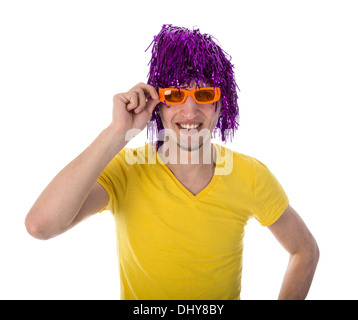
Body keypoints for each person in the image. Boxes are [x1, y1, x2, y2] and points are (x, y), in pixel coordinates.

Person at [25, 24, 319, 300]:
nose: (190, 110)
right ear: (157, 103)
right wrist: (117, 132)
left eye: (204, 94)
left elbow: (305, 250)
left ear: (220, 105)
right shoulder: (127, 170)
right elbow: (41, 225)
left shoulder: (250, 175)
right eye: (175, 94)